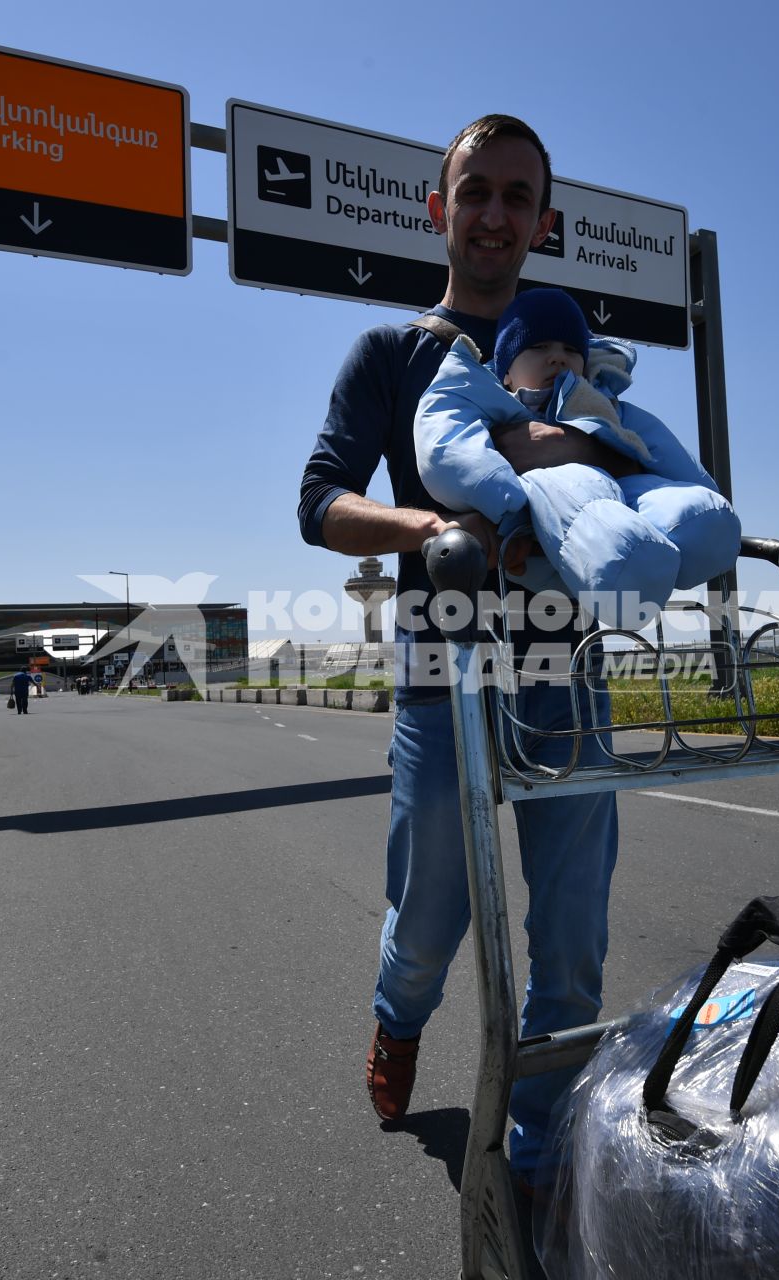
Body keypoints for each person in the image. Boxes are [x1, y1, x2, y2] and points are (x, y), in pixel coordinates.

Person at [298, 114, 635, 1190]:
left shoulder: (574, 358)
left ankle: (533, 1159)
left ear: (544, 220)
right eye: (475, 192)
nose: (495, 214)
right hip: (444, 667)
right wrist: (427, 530)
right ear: (438, 210)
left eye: (516, 197)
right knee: (431, 913)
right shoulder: (392, 355)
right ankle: (399, 1016)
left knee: (573, 936)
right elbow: (318, 500)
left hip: (562, 664)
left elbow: (631, 480)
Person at [414, 286, 738, 629]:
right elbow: (445, 443)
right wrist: (503, 502)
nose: (557, 357)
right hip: (543, 516)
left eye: (570, 349)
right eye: (538, 347)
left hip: (619, 499)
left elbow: (661, 448)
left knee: (688, 510)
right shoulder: (487, 400)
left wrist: (699, 489)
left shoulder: (606, 408)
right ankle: (627, 559)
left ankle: (699, 527)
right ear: (506, 370)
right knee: (574, 485)